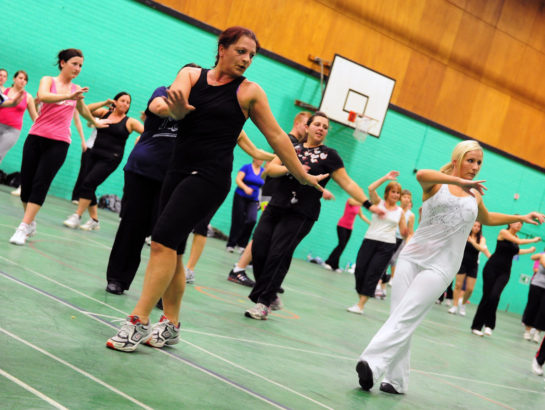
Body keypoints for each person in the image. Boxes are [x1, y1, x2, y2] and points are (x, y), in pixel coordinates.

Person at [106, 26, 324, 352]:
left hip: (209, 178)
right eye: (241, 51)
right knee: (175, 253)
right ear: (222, 48)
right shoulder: (192, 75)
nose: (247, 59)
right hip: (175, 172)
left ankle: (138, 321)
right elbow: (168, 104)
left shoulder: (249, 92)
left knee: (161, 242)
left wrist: (303, 177)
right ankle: (172, 324)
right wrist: (176, 110)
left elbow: (278, 137)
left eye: (252, 55)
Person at [355, 140, 544, 395]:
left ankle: (371, 364)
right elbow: (421, 174)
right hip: (412, 257)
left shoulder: (475, 195)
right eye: (471, 161)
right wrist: (459, 182)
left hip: (441, 266)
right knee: (400, 316)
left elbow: (487, 218)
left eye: (479, 163)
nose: (475, 167)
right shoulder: (437, 184)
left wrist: (519, 217)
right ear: (457, 160)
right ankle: (396, 381)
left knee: (406, 314)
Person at [245, 111, 383, 320]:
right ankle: (270, 295)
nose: (321, 129)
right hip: (275, 206)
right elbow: (271, 169)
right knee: (259, 250)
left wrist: (367, 203)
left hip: (301, 213)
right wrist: (295, 169)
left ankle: (263, 302)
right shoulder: (291, 148)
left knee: (278, 253)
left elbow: (347, 182)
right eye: (317, 124)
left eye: (325, 127)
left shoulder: (330, 155)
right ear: (307, 127)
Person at [9, 49, 104, 246]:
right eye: (74, 64)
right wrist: (69, 95)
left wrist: (95, 121)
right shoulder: (48, 80)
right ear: (62, 63)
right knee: (26, 186)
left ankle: (23, 227)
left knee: (41, 183)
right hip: (36, 137)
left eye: (80, 65)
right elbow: (43, 97)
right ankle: (30, 222)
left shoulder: (76, 89)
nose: (77, 68)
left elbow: (82, 109)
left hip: (59, 142)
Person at [227, 111, 312, 286]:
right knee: (263, 233)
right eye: (306, 124)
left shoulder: (295, 143)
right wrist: (264, 194)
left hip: (272, 191)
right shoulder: (289, 141)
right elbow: (269, 167)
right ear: (297, 124)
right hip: (272, 192)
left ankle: (257, 272)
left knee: (268, 233)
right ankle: (239, 268)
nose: (308, 128)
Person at [62, 92, 143, 230]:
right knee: (88, 185)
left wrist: (139, 143)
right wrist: (104, 103)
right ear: (115, 102)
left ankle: (77, 216)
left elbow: (147, 134)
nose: (125, 104)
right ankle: (94, 220)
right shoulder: (104, 113)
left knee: (88, 183)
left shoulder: (130, 122)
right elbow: (86, 109)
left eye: (128, 102)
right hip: (95, 153)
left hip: (111, 159)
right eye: (122, 100)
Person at [346, 172, 406, 314]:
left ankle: (361, 305)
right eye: (393, 192)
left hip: (387, 245)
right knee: (360, 269)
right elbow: (371, 188)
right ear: (387, 193)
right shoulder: (378, 203)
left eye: (398, 193)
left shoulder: (400, 212)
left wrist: (406, 233)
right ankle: (361, 298)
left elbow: (404, 231)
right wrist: (385, 178)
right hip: (370, 240)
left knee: (373, 273)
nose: (396, 195)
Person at [470, 222, 540, 336]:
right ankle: (476, 326)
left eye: (521, 224)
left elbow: (516, 251)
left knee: (495, 296)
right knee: (487, 297)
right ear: (510, 223)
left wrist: (530, 251)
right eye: (517, 222)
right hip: (491, 268)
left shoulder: (516, 238)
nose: (519, 225)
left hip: (505, 272)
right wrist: (533, 240)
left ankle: (489, 325)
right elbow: (518, 242)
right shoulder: (504, 233)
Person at [376, 190, 415, 298]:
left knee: (390, 261)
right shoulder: (395, 209)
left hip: (399, 241)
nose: (407, 199)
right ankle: (382, 288)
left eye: (409, 198)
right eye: (405, 197)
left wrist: (408, 243)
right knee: (384, 261)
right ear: (400, 198)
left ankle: (379, 285)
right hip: (388, 237)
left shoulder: (411, 215)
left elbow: (410, 232)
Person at [447, 221, 491, 315]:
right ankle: (454, 306)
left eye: (478, 226)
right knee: (458, 285)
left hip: (473, 265)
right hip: (462, 263)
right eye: (474, 225)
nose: (476, 228)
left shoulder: (481, 239)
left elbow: (481, 248)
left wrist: (472, 241)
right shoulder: (465, 235)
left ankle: (462, 304)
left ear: (480, 228)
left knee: (470, 289)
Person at [225, 158, 265, 252]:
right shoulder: (246, 167)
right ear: (255, 158)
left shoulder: (263, 171)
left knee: (252, 220)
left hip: (253, 200)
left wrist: (261, 201)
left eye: (263, 159)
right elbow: (238, 180)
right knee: (238, 220)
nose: (261, 161)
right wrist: (245, 188)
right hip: (240, 196)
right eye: (260, 158)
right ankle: (231, 244)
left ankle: (242, 244)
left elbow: (264, 187)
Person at [0, 70, 38, 164]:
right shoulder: (4, 91)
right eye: (20, 78)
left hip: (12, 131)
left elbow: (35, 117)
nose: (23, 81)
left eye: (25, 80)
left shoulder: (28, 97)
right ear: (14, 79)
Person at [323, 198, 370, 272]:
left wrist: (370, 223)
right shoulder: (350, 200)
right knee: (341, 244)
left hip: (349, 228)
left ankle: (334, 265)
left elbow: (362, 216)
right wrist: (367, 204)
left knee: (343, 246)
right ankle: (328, 262)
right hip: (342, 226)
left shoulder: (358, 206)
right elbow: (358, 203)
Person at [522, 252, 545, 343]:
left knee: (543, 310)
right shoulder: (543, 255)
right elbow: (533, 257)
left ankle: (537, 333)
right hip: (537, 285)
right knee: (532, 307)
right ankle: (527, 330)